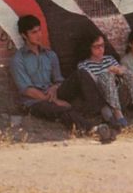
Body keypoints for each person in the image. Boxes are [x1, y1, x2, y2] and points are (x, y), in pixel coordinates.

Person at [9, 15, 113, 143]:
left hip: (53, 93)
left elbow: (58, 79)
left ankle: (100, 112)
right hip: (35, 102)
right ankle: (93, 130)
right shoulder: (18, 59)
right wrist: (55, 101)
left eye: (39, 30)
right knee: (62, 109)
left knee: (81, 73)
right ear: (24, 35)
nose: (38, 35)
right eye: (33, 32)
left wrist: (55, 87)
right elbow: (26, 90)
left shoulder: (50, 55)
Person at [77, 30, 133, 129]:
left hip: (119, 95)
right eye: (96, 46)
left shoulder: (109, 59)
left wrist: (118, 70)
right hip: (102, 99)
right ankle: (119, 116)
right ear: (89, 47)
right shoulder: (84, 65)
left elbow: (122, 70)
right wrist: (108, 73)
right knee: (106, 76)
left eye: (102, 45)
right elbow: (91, 83)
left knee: (131, 74)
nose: (101, 49)